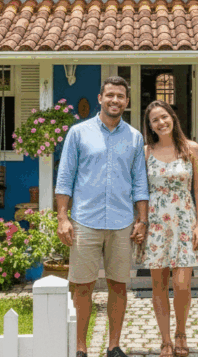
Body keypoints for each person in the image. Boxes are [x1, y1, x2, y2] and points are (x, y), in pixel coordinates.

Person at [55, 76, 149, 357]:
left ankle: (114, 346)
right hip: (85, 221)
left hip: (122, 223)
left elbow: (140, 183)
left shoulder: (134, 137)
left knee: (118, 285)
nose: (115, 101)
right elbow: (65, 178)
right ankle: (80, 347)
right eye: (110, 95)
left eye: (120, 96)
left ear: (127, 102)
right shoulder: (78, 133)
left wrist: (142, 220)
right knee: (82, 286)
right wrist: (62, 217)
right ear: (100, 98)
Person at [138, 100, 198, 357]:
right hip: (156, 223)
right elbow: (140, 191)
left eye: (164, 117)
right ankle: (165, 339)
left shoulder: (191, 149)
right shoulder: (145, 152)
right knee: (158, 285)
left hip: (185, 221)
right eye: (155, 120)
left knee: (181, 284)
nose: (161, 122)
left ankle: (181, 332)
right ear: (150, 126)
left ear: (173, 118)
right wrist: (141, 222)